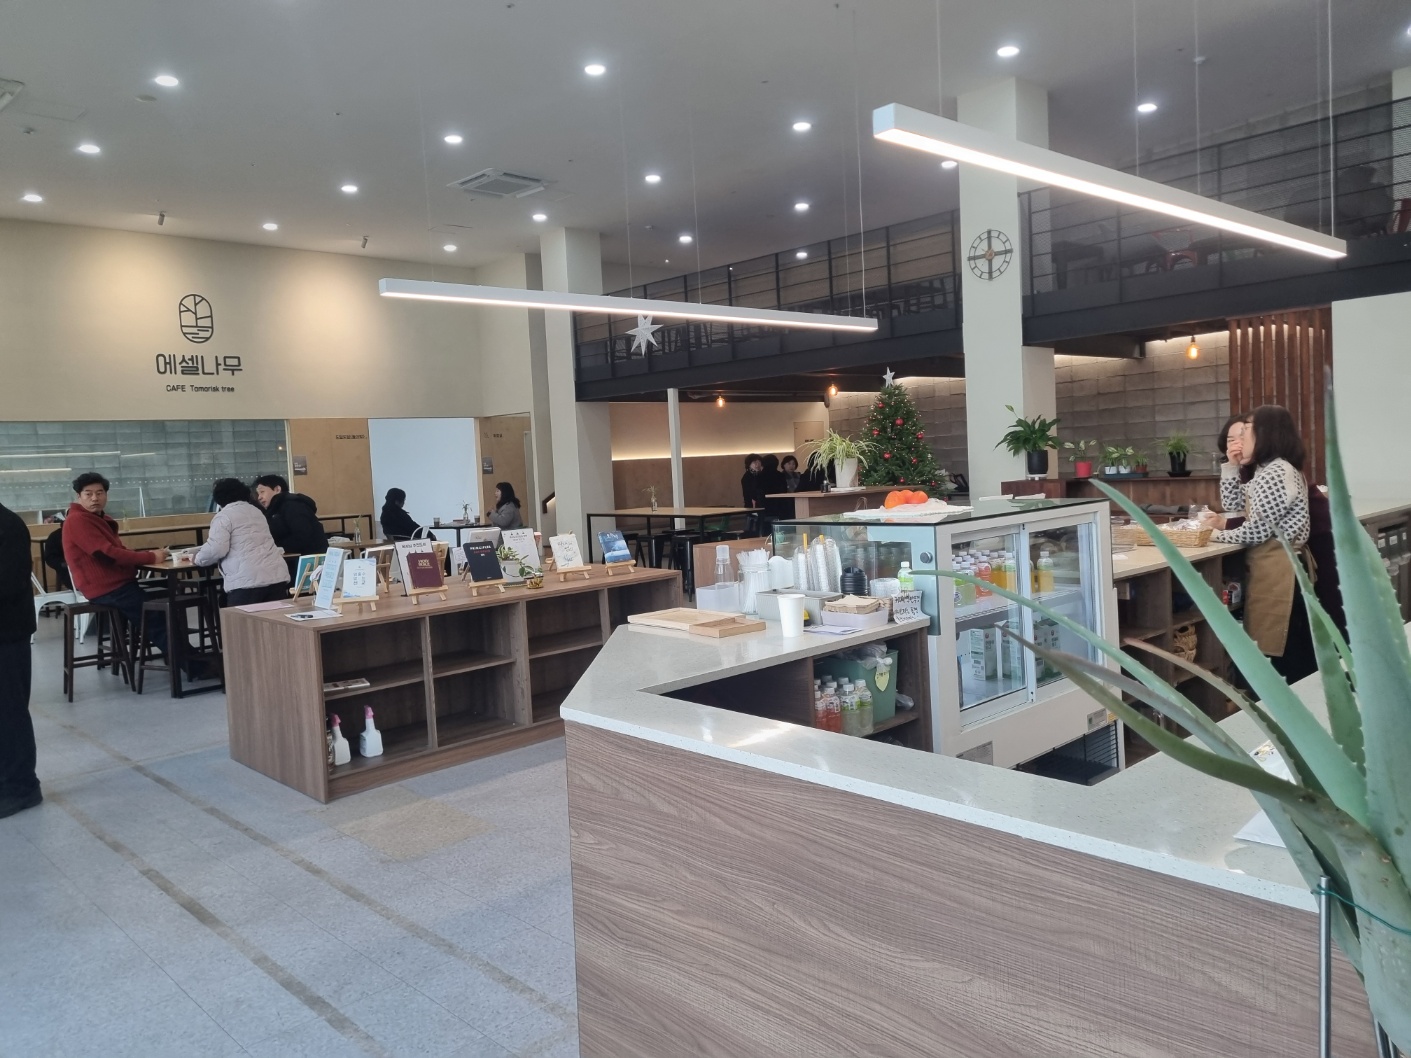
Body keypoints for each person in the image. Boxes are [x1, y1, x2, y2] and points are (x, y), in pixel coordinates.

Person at [1200, 405, 1314, 682]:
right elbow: (1234, 505)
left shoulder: (1276, 472)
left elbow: (1257, 531)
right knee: (1280, 647)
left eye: (1246, 430)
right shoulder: (1268, 470)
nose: (1240, 439)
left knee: (1281, 652)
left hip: (1282, 571)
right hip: (1278, 567)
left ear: (1267, 433)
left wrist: (1210, 536)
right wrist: (1231, 466)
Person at [61, 472, 168, 652]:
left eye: (100, 493)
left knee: (166, 602)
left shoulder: (98, 518)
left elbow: (118, 550)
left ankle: (178, 658)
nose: (95, 498)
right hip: (107, 588)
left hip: (118, 585)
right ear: (78, 496)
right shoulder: (78, 520)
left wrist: (148, 554)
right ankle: (191, 664)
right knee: (156, 616)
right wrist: (150, 557)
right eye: (88, 494)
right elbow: (107, 554)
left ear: (106, 495)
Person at [0, 500, 42, 818]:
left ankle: (22, 788)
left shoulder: (8, 526)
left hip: (7, 634)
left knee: (9, 712)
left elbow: (9, 583)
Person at [190, 478, 291, 607]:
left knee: (240, 620)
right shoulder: (257, 512)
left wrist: (197, 558)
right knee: (274, 619)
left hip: (246, 582)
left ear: (218, 498)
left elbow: (216, 549)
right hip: (276, 577)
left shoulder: (223, 516)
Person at [253, 474, 328, 555]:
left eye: (262, 492)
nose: (259, 497)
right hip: (292, 556)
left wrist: (275, 547)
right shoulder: (273, 510)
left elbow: (303, 536)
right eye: (258, 494)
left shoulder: (293, 506)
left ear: (277, 489)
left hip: (309, 557)